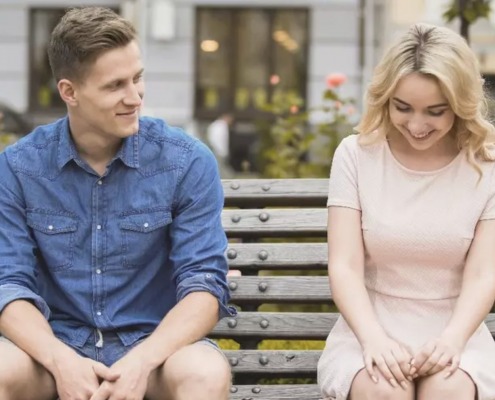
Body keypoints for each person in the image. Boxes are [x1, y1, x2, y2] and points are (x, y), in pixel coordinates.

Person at [0, 6, 234, 400]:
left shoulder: (186, 161)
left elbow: (204, 286)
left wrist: (142, 362)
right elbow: (8, 285)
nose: (135, 97)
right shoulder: (19, 168)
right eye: (115, 86)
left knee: (205, 374)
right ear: (69, 92)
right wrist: (61, 361)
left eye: (138, 79)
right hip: (53, 349)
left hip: (155, 349)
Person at [317, 23, 495, 400]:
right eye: (403, 108)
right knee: (383, 392)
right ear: (385, 98)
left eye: (435, 112)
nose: (416, 125)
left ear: (461, 104)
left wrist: (452, 340)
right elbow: (344, 266)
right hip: (369, 328)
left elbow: (483, 275)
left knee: (450, 392)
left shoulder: (487, 166)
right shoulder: (356, 155)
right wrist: (374, 340)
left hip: (455, 332)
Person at [206, 113, 234, 177]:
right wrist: (221, 151)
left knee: (220, 167)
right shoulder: (221, 125)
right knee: (221, 168)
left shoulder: (215, 125)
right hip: (218, 151)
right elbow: (219, 140)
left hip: (217, 150)